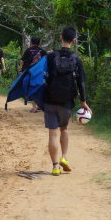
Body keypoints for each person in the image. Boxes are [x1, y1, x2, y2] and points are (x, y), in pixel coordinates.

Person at [44, 26, 92, 176]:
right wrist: (83, 102)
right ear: (74, 40)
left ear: (60, 37)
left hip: (50, 100)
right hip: (66, 102)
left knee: (53, 133)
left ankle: (55, 166)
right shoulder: (76, 59)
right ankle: (64, 157)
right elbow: (81, 83)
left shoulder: (51, 57)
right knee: (63, 129)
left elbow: (41, 74)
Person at [20, 37, 47, 112]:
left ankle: (34, 107)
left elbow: (22, 61)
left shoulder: (28, 50)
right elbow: (46, 61)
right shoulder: (42, 51)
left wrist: (21, 70)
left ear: (31, 42)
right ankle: (38, 105)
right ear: (39, 43)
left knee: (31, 88)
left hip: (30, 72)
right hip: (39, 73)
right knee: (39, 88)